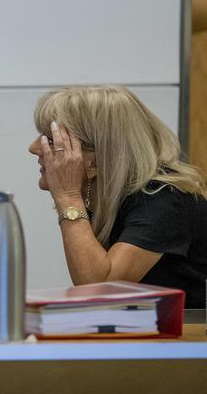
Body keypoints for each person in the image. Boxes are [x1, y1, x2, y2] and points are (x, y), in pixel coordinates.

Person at [28, 85, 207, 308]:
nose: (34, 148)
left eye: (50, 140)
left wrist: (68, 196)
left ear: (96, 157)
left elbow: (98, 289)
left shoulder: (165, 198)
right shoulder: (106, 195)